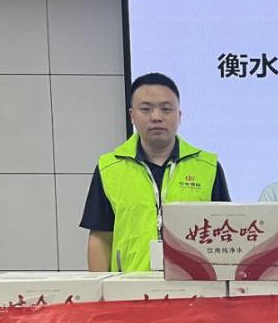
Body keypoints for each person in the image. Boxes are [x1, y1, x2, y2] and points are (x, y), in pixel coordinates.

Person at [80, 72, 230, 272]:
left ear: (179, 116)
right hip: (129, 285)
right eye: (146, 109)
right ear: (132, 115)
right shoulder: (109, 167)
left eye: (166, 109)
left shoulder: (207, 167)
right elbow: (100, 238)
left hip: (194, 285)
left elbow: (224, 234)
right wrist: (100, 289)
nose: (156, 117)